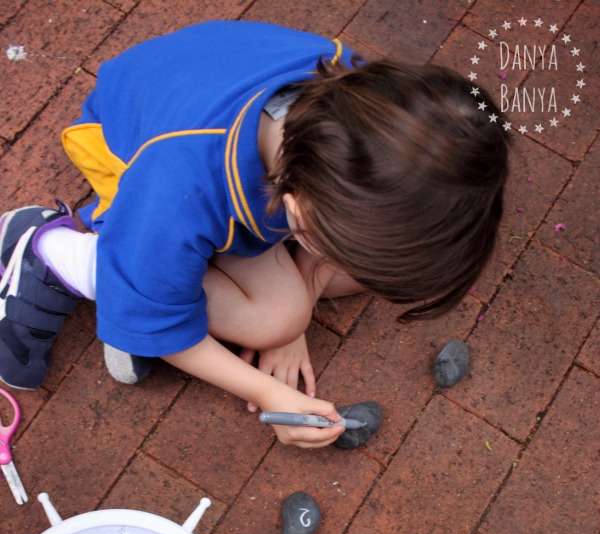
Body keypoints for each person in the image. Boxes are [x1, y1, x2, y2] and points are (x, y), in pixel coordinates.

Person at [0, 20, 509, 449]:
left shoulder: (363, 108)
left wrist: (303, 306)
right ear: (293, 212)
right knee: (271, 316)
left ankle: (180, 279)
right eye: (324, 241)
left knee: (333, 288)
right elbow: (164, 302)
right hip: (124, 146)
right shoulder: (178, 183)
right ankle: (64, 257)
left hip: (209, 107)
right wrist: (270, 392)